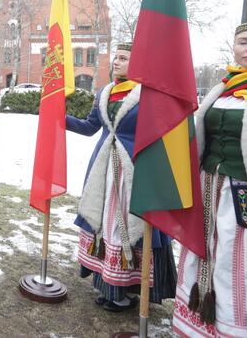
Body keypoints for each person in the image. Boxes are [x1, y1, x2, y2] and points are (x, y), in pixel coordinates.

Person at [66, 43, 176, 312]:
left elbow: (162, 132)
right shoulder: (106, 91)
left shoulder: (149, 94)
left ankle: (126, 290)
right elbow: (91, 127)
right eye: (116, 57)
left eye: (124, 58)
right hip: (103, 172)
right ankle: (107, 286)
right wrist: (58, 117)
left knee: (127, 227)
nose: (116, 61)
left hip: (134, 171)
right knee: (103, 224)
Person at [172, 20, 247, 336]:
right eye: (244, 42)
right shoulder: (222, 87)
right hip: (207, 186)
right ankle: (197, 322)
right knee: (202, 252)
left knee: (235, 263)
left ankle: (235, 328)